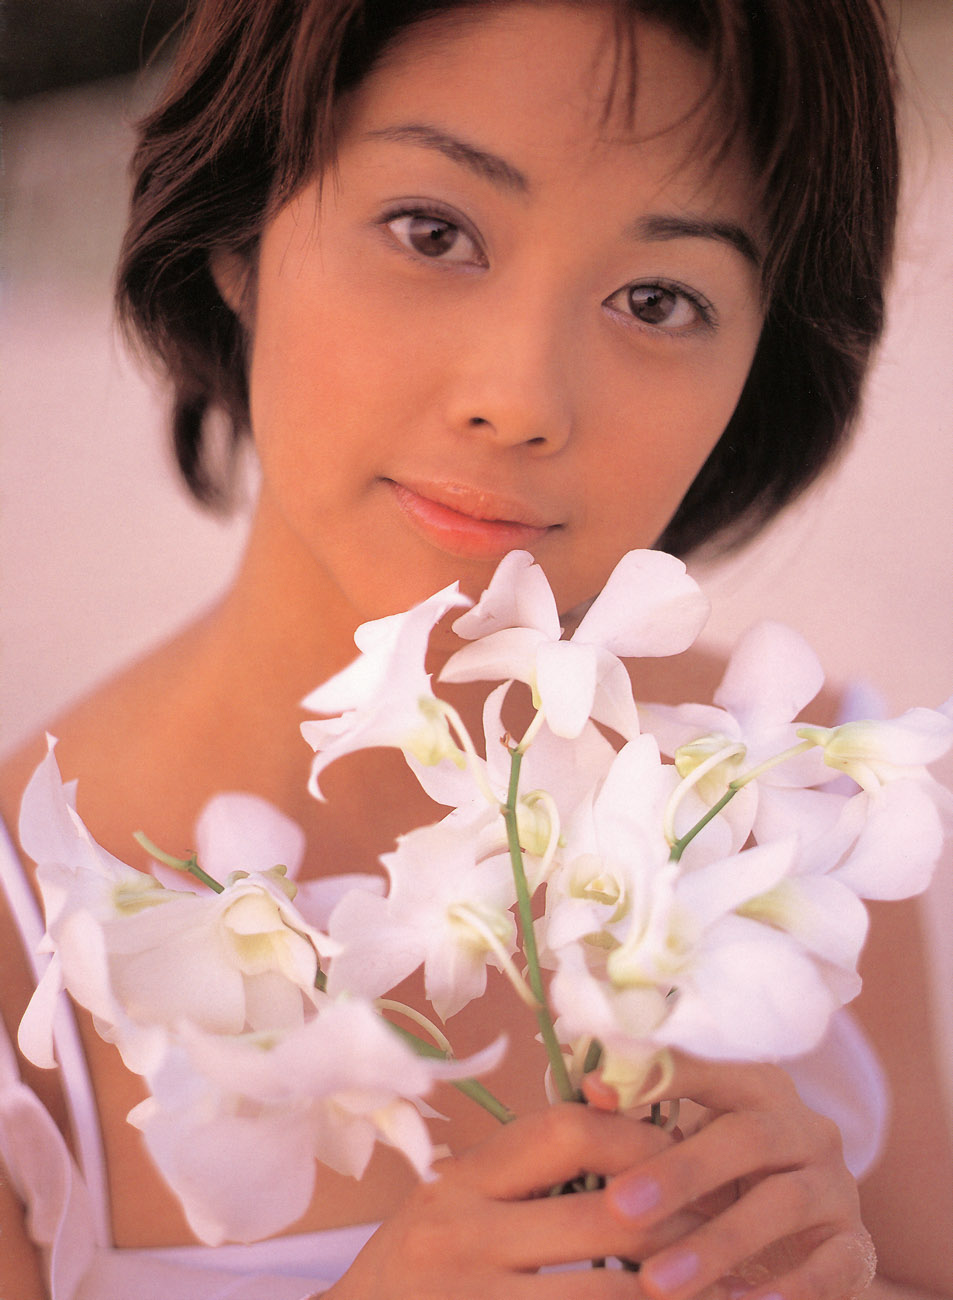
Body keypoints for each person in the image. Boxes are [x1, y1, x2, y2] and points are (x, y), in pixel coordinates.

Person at [1, 1, 951, 1297]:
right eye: (433, 232)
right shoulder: (25, 941)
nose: (520, 399)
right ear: (240, 229)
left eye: (657, 299)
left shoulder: (794, 797)